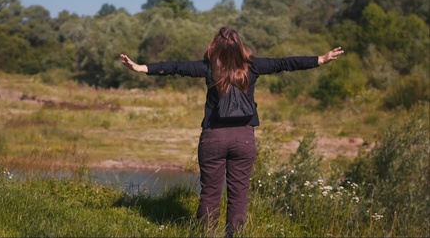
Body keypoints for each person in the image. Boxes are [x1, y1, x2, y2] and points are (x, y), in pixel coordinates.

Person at [120, 26, 343, 236]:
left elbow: (176, 67)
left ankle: (206, 235)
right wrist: (320, 59)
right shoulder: (253, 66)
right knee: (239, 194)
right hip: (244, 139)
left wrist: (142, 68)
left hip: (213, 138)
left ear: (215, 47)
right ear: (239, 46)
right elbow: (284, 63)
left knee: (210, 193)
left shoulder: (208, 67)